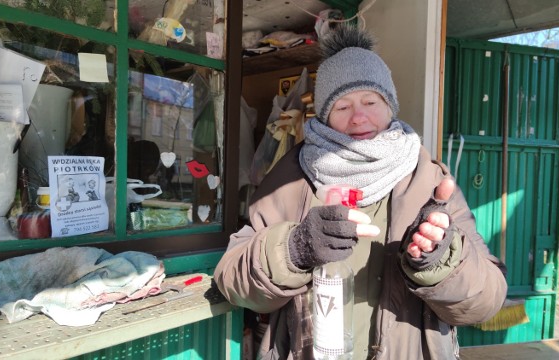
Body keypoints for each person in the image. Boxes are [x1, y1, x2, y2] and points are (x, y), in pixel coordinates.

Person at [214, 25, 508, 360]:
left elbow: (487, 301)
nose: (359, 117)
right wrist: (294, 250)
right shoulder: (288, 179)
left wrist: (442, 261)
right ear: (324, 116)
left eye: (370, 101)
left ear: (390, 106)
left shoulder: (429, 180)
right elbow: (232, 280)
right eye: (342, 107)